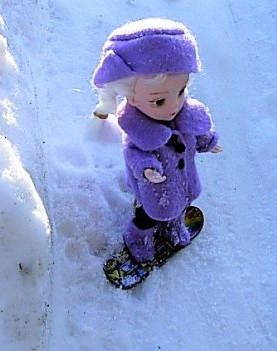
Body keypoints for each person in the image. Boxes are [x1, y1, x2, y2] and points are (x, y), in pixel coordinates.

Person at [91, 17, 222, 264]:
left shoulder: (185, 116)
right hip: (154, 190)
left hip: (183, 184)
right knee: (148, 217)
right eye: (159, 101)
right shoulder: (139, 132)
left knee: (178, 206)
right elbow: (135, 154)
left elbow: (195, 135)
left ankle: (173, 227)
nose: (174, 105)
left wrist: (208, 141)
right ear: (131, 97)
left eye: (181, 91)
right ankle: (137, 237)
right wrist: (147, 169)